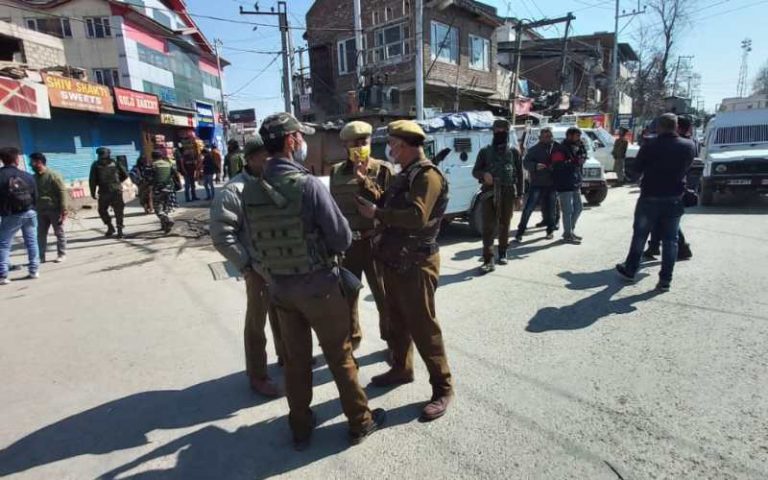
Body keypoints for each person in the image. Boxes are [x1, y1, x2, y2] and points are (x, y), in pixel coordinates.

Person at [252, 112, 385, 449]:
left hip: (280, 289)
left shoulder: (252, 189)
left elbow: (255, 243)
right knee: (340, 356)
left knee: (296, 361)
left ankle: (300, 425)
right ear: (290, 141)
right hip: (319, 289)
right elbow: (342, 238)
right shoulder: (308, 184)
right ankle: (360, 421)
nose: (305, 143)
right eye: (301, 137)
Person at [356, 119, 454, 422]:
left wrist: (377, 214)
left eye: (394, 145)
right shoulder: (405, 175)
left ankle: (443, 388)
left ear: (407, 145)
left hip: (416, 263)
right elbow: (387, 203)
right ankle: (401, 368)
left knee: (424, 326)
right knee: (396, 319)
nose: (391, 150)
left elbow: (415, 217)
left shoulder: (427, 177)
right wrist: (367, 186)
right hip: (396, 261)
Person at [210, 137, 285, 398]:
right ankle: (258, 375)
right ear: (250, 159)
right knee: (257, 323)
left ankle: (285, 357)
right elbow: (222, 235)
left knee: (283, 315)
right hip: (257, 268)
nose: (269, 162)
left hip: (282, 264)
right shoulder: (234, 191)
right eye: (264, 157)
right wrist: (246, 266)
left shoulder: (274, 181)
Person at [330, 121, 394, 350]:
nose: (360, 146)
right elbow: (333, 211)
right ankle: (352, 341)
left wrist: (363, 180)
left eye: (364, 142)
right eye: (355, 143)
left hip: (376, 243)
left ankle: (392, 343)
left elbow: (389, 207)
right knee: (347, 298)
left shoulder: (383, 169)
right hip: (349, 246)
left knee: (384, 297)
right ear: (345, 145)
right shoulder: (336, 172)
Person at [616, 113, 695, 292]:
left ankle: (630, 270)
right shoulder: (688, 145)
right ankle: (665, 280)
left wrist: (636, 178)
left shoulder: (650, 144)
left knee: (640, 235)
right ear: (675, 126)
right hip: (675, 198)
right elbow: (687, 168)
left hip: (650, 196)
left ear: (659, 126)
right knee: (671, 241)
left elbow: (636, 170)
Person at [472, 119, 524, 273]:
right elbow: (475, 171)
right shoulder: (485, 151)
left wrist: (520, 195)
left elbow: (520, 174)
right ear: (493, 132)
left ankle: (502, 252)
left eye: (503, 131)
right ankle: (488, 259)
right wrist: (484, 174)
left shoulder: (514, 152)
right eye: (497, 131)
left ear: (507, 133)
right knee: (488, 226)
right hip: (489, 192)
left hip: (508, 191)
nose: (500, 133)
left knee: (505, 223)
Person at [644, 115, 696, 261]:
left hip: (671, 188)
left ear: (678, 127)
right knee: (661, 218)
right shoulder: (684, 142)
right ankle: (655, 246)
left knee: (666, 220)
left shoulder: (682, 143)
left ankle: (681, 248)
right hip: (670, 187)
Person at [0, 147, 39, 285]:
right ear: (17, 160)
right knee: (31, 241)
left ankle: (3, 275)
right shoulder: (27, 175)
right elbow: (35, 196)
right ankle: (34, 270)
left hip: (10, 214)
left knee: (4, 244)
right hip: (29, 212)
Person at [515, 128, 558, 242]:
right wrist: (535, 166)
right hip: (537, 184)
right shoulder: (534, 150)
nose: (548, 139)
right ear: (540, 138)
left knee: (551, 209)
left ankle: (550, 230)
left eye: (549, 136)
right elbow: (526, 163)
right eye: (545, 137)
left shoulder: (556, 148)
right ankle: (520, 232)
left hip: (552, 184)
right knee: (528, 208)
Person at [30, 153, 67, 263]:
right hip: (40, 210)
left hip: (54, 209)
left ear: (39, 162)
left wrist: (64, 209)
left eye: (32, 162)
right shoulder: (33, 177)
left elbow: (62, 192)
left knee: (59, 233)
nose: (30, 164)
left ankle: (62, 254)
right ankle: (41, 256)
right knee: (40, 234)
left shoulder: (53, 175)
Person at [552, 128, 587, 244]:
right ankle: (568, 234)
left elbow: (581, 159)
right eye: (577, 136)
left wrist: (581, 152)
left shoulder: (577, 147)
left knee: (578, 208)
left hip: (575, 182)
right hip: (564, 182)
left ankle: (569, 231)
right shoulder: (560, 149)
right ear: (569, 136)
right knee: (568, 210)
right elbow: (557, 166)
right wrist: (573, 162)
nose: (578, 138)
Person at [89, 147, 128, 239]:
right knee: (116, 211)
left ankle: (115, 229)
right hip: (112, 191)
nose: (103, 158)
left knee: (105, 210)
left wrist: (93, 192)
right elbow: (125, 175)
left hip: (106, 191)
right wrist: (118, 183)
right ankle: (116, 229)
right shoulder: (114, 163)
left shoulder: (96, 164)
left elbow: (92, 180)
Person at [149, 151, 180, 234]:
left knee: (158, 209)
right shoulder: (168, 164)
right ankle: (165, 227)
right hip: (169, 188)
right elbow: (175, 174)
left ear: (153, 157)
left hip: (158, 189)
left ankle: (168, 220)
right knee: (165, 208)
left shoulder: (152, 165)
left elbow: (148, 177)